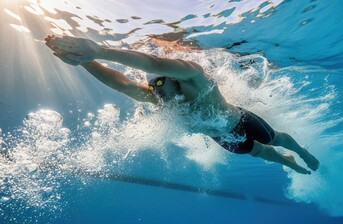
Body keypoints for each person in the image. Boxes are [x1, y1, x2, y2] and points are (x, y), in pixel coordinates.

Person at [45, 35, 320, 175]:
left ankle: (299, 152)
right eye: (155, 87)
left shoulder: (195, 76)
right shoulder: (159, 97)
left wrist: (101, 51)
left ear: (172, 76)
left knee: (275, 138)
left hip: (241, 121)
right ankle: (289, 164)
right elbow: (122, 84)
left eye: (161, 84)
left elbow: (152, 63)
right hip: (223, 138)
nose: (159, 93)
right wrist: (85, 61)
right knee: (258, 153)